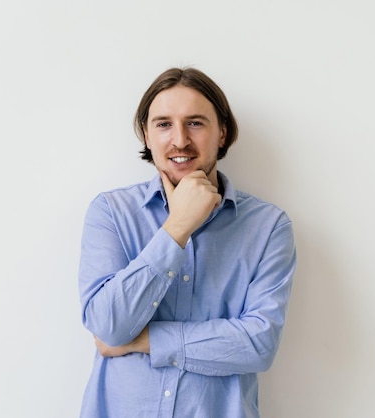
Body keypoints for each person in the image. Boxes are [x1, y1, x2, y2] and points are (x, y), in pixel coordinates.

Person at [78, 67, 297, 418]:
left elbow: (258, 344)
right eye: (164, 124)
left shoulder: (269, 227)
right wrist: (176, 228)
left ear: (222, 133)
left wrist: (144, 341)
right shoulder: (111, 213)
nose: (179, 140)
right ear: (146, 135)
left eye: (195, 123)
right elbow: (107, 325)